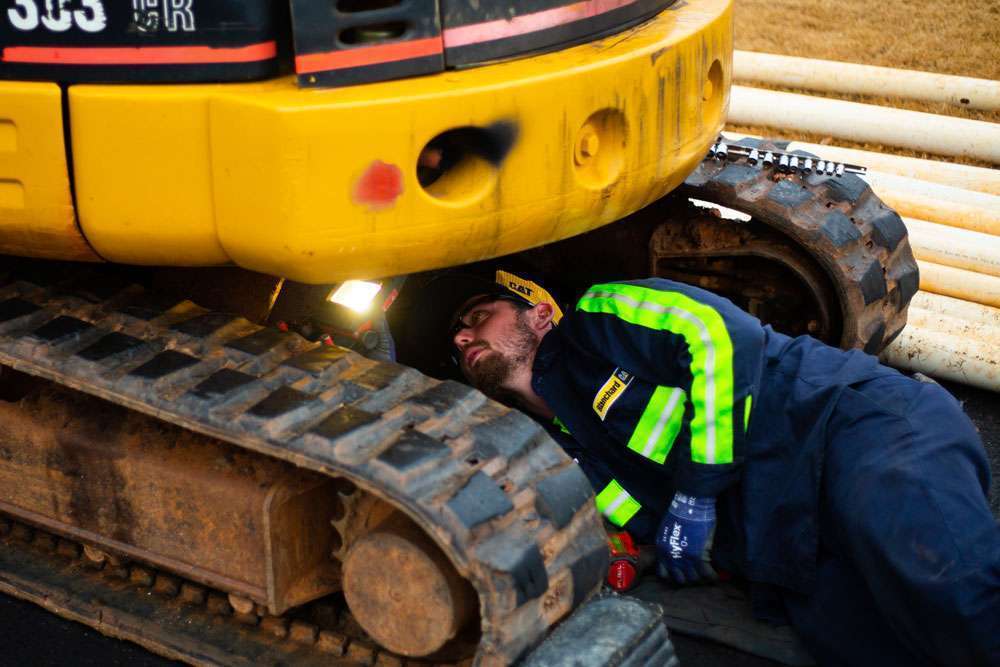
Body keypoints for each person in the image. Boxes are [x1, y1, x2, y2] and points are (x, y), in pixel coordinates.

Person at [430, 269, 999, 667]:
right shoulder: (555, 452)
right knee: (865, 644)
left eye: (478, 317)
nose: (463, 336)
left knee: (949, 592)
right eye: (457, 343)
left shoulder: (599, 318)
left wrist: (697, 492)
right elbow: (637, 522)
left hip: (848, 428)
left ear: (539, 313)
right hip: (787, 538)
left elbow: (719, 336)